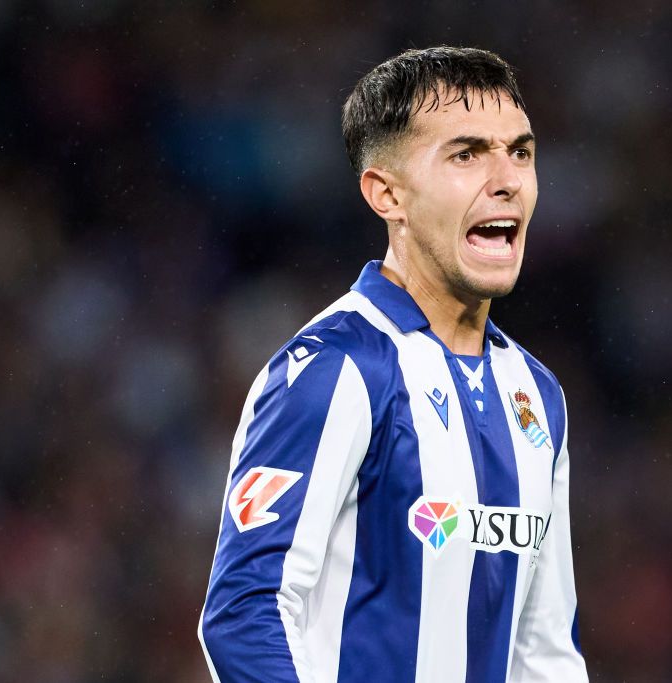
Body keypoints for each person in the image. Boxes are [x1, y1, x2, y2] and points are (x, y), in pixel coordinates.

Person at [198, 46, 588, 683]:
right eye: (466, 155)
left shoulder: (537, 394)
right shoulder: (338, 368)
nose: (508, 179)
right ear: (387, 194)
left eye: (520, 151)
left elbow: (543, 652)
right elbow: (246, 612)